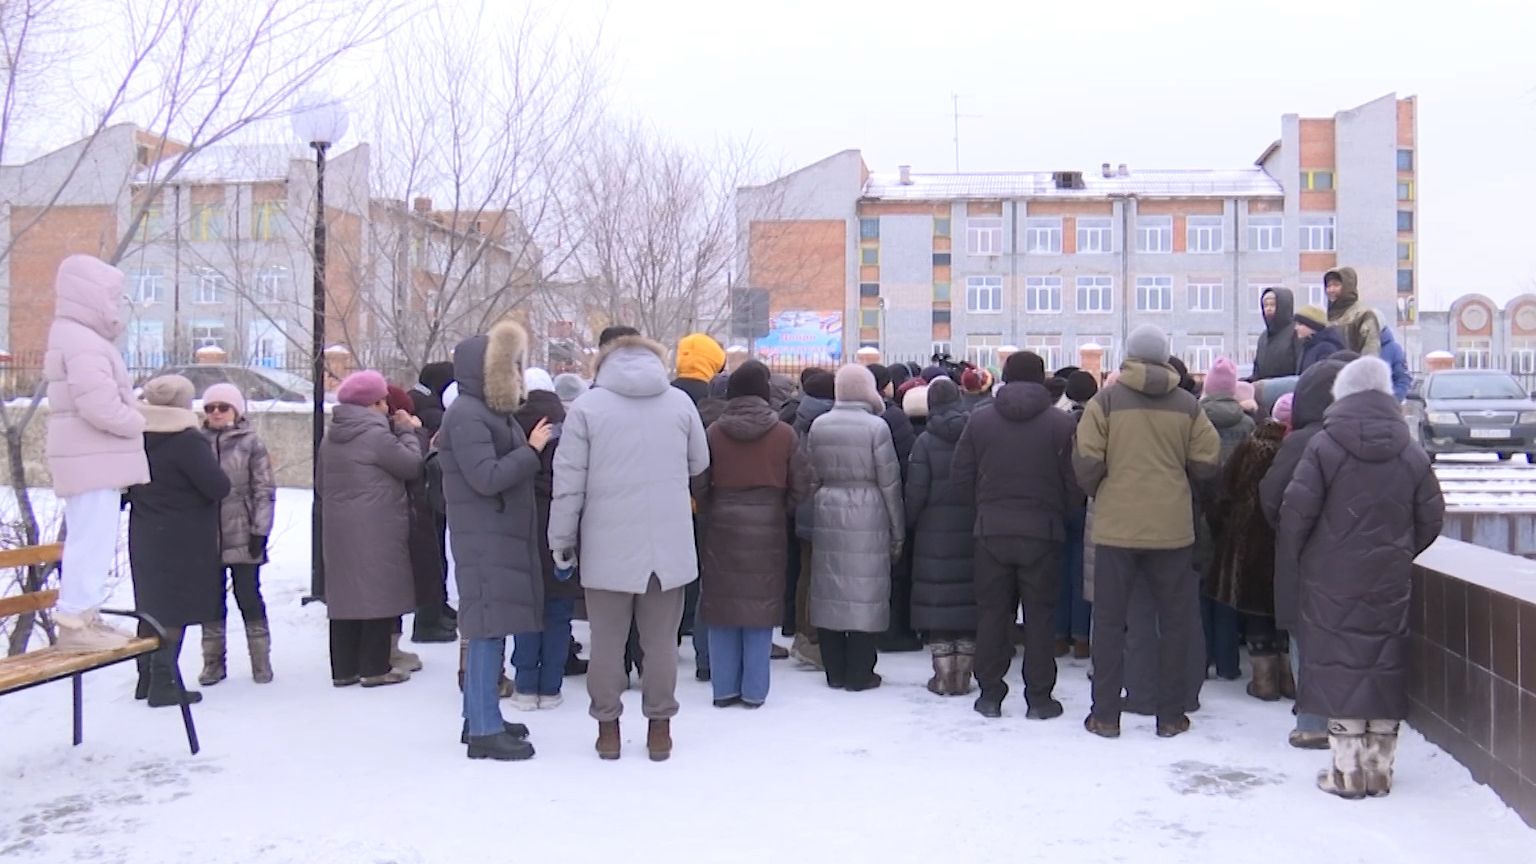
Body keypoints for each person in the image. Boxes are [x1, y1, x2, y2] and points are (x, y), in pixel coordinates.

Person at [1278, 357, 1444, 798]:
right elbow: (1431, 517)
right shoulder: (1409, 450)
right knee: (1383, 664)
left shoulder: (1325, 446)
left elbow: (1295, 513)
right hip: (1388, 579)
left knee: (1341, 666)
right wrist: (1400, 552)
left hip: (1331, 579)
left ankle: (1346, 772)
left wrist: (1308, 558)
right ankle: (1380, 770)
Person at [550, 332, 709, 762]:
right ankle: (660, 729)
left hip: (606, 546)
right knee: (660, 644)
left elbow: (567, 483)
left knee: (606, 642)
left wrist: (561, 540)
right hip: (668, 546)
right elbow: (700, 463)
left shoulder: (587, 407)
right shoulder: (679, 403)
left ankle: (608, 730)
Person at [1073, 325, 1221, 739]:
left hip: (1116, 528)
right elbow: (1208, 461)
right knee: (1175, 622)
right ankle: (1170, 715)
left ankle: (1105, 715)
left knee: (1108, 621)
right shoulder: (1189, 405)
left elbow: (1085, 460)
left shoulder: (1104, 402)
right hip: (1172, 529)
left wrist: (1106, 489)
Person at [440, 322, 548, 761]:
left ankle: (481, 716)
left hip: (496, 536)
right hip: (484, 539)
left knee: (493, 625)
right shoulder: (467, 414)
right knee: (486, 628)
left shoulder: (486, 412)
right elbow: (486, 477)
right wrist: (532, 450)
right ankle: (484, 729)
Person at [952, 352, 1079, 719]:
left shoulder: (980, 421)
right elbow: (1075, 483)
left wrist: (983, 510)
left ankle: (990, 694)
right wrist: (1058, 512)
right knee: (1040, 617)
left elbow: (960, 477)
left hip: (991, 530)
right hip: (1043, 532)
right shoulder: (1061, 424)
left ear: (1004, 377)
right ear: (1042, 379)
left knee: (992, 614)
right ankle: (1039, 698)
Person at [44, 254, 150, 652]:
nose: (116, 304)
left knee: (94, 539)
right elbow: (100, 407)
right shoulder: (82, 340)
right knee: (91, 539)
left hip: (92, 458)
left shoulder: (76, 336)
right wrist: (136, 418)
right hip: (92, 459)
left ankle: (84, 614)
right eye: (112, 295)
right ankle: (75, 619)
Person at [696, 361, 810, 708]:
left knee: (721, 606)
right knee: (760, 606)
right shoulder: (783, 434)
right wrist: (780, 507)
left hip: (722, 525)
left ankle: (724, 687)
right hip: (768, 524)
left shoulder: (714, 432)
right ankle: (755, 690)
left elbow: (699, 482)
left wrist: (713, 505)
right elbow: (803, 483)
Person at [126, 376, 230, 707]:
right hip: (183, 536)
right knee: (174, 608)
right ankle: (164, 683)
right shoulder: (187, 441)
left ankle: (146, 679)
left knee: (152, 604)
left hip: (144, 531)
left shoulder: (134, 437)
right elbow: (217, 486)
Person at [1259, 359, 1348, 749]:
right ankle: (1351, 721)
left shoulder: (1299, 442)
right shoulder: (1362, 438)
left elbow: (1271, 496)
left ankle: (1313, 722)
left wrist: (1292, 531)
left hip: (1304, 558)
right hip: (1357, 561)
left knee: (1306, 638)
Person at [320, 370, 423, 689]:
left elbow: (321, 483)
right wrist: (407, 432)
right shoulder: (376, 436)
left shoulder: (331, 435)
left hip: (338, 525)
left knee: (345, 594)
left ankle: (344, 668)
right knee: (379, 590)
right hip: (378, 523)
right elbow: (411, 465)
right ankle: (375, 667)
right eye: (384, 403)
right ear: (374, 403)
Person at [805, 364, 904, 692]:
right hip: (869, 509)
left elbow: (810, 474)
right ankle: (861, 672)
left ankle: (834, 670)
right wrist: (897, 530)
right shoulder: (876, 427)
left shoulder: (820, 425)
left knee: (830, 590)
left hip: (828, 505)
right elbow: (889, 481)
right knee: (866, 590)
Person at [198, 383, 277, 687]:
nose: (216, 413)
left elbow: (264, 489)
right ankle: (213, 663)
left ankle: (261, 661)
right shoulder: (196, 442)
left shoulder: (251, 443)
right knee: (210, 600)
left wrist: (261, 529)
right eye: (210, 407)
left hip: (243, 529)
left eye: (223, 407)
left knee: (248, 595)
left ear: (236, 410)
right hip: (206, 535)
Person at [904, 377, 976, 696]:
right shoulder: (974, 434)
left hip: (934, 530)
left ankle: (943, 675)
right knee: (967, 602)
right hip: (971, 527)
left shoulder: (924, 442)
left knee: (938, 603)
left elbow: (916, 491)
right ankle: (964, 675)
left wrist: (909, 522)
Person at [511, 367, 577, 712]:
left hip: (522, 524)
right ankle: (551, 686)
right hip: (562, 524)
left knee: (525, 609)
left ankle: (524, 684)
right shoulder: (571, 426)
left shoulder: (509, 425)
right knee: (558, 610)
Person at [1210, 417, 1289, 700]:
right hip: (1282, 536)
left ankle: (1264, 679)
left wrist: (1221, 526)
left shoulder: (1250, 446)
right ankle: (1288, 676)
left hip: (1245, 536)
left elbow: (1225, 489)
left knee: (1254, 606)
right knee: (1281, 607)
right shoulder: (1294, 449)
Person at [672, 332, 727, 683]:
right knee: (705, 573)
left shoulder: (665, 395)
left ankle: (670, 633)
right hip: (705, 501)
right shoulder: (713, 399)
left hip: (670, 499)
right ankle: (702, 639)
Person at [1197, 358, 1253, 682]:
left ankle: (1201, 659)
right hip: (1234, 516)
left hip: (1202, 511)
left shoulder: (1194, 417)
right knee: (1227, 590)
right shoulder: (1246, 424)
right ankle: (1229, 663)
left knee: (1201, 588)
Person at [868, 363, 920, 652]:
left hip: (849, 507)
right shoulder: (893, 416)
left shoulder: (833, 417)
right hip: (888, 499)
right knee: (895, 569)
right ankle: (892, 631)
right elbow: (903, 463)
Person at [789, 369, 836, 668]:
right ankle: (813, 636)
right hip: (826, 504)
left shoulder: (798, 418)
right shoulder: (829, 422)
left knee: (806, 571)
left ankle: (802, 634)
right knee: (823, 573)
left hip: (803, 503)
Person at [1057, 370, 1099, 658]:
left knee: (1059, 571)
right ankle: (1083, 637)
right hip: (1090, 502)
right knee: (1085, 572)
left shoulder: (1057, 420)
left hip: (1061, 503)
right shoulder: (1100, 420)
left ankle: (1058, 635)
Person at [1324, 268, 1382, 357]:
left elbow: (1370, 352)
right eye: (1328, 286)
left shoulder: (1363, 315)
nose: (1331, 290)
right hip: (1330, 369)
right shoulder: (1326, 318)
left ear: (1348, 287)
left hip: (1353, 369)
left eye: (1336, 285)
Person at [1253, 288, 1301, 380]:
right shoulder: (1263, 338)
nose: (1268, 309)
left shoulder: (1296, 332)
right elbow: (1257, 373)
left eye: (1273, 305)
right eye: (1265, 305)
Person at [1294, 305, 1345, 374]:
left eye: (1300, 324)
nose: (1296, 328)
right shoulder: (1308, 345)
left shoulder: (1326, 348)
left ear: (1311, 325)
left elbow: (1325, 376)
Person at [1379, 326, 1412, 402]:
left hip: (1385, 406)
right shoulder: (1350, 345)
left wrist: (1392, 400)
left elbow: (1402, 379)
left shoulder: (1393, 349)